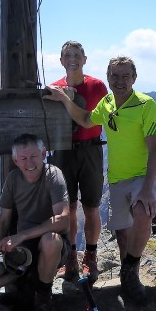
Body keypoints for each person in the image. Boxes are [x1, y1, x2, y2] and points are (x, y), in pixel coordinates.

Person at [46, 56, 156, 304]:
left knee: (143, 211)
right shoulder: (107, 103)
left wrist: (147, 189)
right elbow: (86, 119)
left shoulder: (146, 104)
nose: (120, 81)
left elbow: (155, 150)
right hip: (117, 178)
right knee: (123, 237)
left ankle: (130, 273)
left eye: (125, 76)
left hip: (141, 176)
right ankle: (128, 277)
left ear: (134, 78)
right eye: (115, 76)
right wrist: (65, 99)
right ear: (108, 78)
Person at [0, 134, 70, 311]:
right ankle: (23, 274)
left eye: (34, 156)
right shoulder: (13, 179)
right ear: (15, 160)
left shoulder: (53, 175)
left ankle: (43, 297)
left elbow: (63, 220)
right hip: (22, 248)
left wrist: (23, 235)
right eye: (23, 158)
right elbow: (4, 219)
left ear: (43, 154)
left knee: (51, 240)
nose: (29, 163)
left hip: (49, 246)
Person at [48, 41, 108, 282]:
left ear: (84, 59)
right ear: (61, 61)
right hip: (63, 152)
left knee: (91, 207)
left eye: (76, 55)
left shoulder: (97, 86)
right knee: (69, 208)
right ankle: (70, 257)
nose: (72, 59)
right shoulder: (53, 88)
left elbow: (90, 120)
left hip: (90, 149)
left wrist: (64, 98)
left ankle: (90, 257)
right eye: (67, 55)